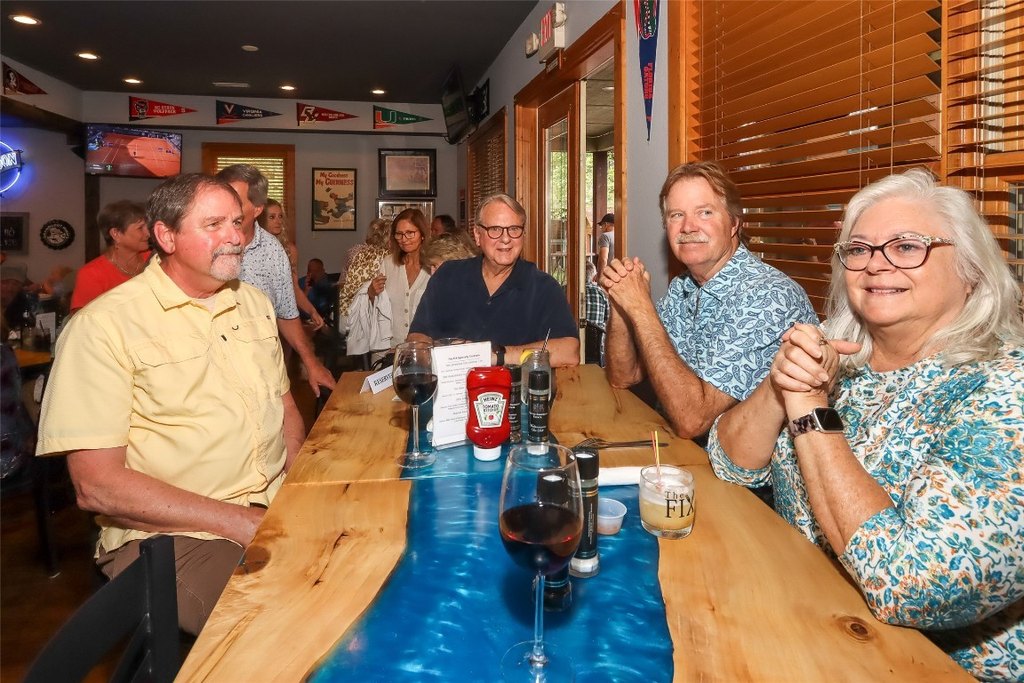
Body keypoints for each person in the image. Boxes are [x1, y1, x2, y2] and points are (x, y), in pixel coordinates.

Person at [707, 169, 1024, 682]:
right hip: (801, 627)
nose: (876, 263)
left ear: (971, 269)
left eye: (907, 246)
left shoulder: (1006, 387)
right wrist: (779, 384)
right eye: (859, 249)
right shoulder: (840, 352)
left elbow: (911, 586)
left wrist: (809, 407)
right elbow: (729, 464)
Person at [36, 173, 305, 635]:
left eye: (237, 223)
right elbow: (97, 486)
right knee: (284, 627)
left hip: (271, 507)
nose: (235, 237)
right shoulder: (104, 326)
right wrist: (240, 521)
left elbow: (285, 408)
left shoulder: (254, 304)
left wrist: (299, 488)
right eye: (214, 224)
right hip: (174, 534)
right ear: (166, 236)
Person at [602, 161, 816, 439]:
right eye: (676, 215)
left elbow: (693, 420)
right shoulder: (682, 287)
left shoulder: (767, 296)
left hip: (744, 465)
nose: (688, 226)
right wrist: (621, 299)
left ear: (734, 223)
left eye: (705, 212)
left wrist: (641, 307)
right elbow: (624, 376)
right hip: (677, 450)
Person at [409, 193, 579, 367]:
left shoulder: (544, 287)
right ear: (477, 235)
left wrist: (495, 355)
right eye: (495, 230)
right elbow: (416, 338)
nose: (505, 239)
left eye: (514, 229)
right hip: (452, 382)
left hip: (516, 384)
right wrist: (440, 354)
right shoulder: (447, 276)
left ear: (523, 234)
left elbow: (569, 352)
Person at [215, 165, 335, 396]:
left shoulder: (273, 251)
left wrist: (311, 362)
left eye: (234, 202)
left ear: (257, 208)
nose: (222, 209)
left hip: (261, 370)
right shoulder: (203, 241)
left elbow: (286, 313)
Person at [354, 209, 431, 353]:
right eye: (399, 234)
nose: (404, 239)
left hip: (423, 351)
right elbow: (373, 307)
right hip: (387, 350)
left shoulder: (433, 267)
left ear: (422, 234)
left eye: (410, 233)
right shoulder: (388, 263)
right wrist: (371, 292)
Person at [70, 200, 150, 313]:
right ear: (116, 234)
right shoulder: (91, 274)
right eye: (140, 228)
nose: (148, 233)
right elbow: (82, 319)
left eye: (147, 227)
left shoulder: (154, 260)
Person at [263, 198, 325, 330]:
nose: (278, 221)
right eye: (272, 217)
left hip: (283, 316)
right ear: (261, 220)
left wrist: (312, 311)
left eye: (280, 216)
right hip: (258, 315)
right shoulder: (251, 249)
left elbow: (294, 288)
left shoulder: (290, 250)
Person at [338, 218, 391, 324]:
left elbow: (342, 283)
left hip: (346, 314)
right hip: (371, 317)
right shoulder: (388, 257)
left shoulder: (356, 252)